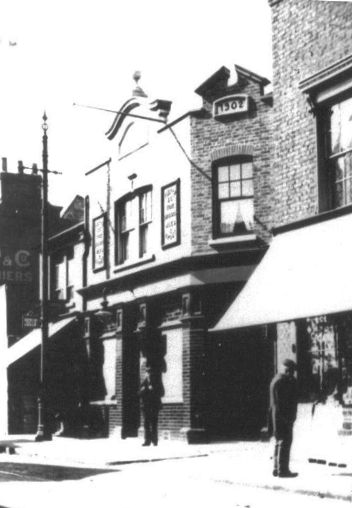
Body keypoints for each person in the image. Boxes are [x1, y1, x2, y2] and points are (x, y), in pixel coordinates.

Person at [269, 358, 298, 478]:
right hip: (282, 417)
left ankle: (277, 468)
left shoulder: (276, 380)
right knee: (284, 441)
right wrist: (287, 418)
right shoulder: (281, 381)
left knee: (279, 441)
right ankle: (283, 470)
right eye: (291, 372)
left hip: (277, 416)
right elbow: (281, 403)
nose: (292, 375)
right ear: (287, 370)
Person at [139, 366, 164, 446]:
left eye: (150, 372)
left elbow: (162, 392)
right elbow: (138, 393)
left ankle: (155, 440)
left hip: (154, 405)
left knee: (154, 422)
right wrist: (142, 390)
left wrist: (153, 389)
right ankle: (147, 440)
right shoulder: (144, 382)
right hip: (146, 405)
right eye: (147, 372)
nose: (149, 374)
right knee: (146, 423)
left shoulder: (157, 382)